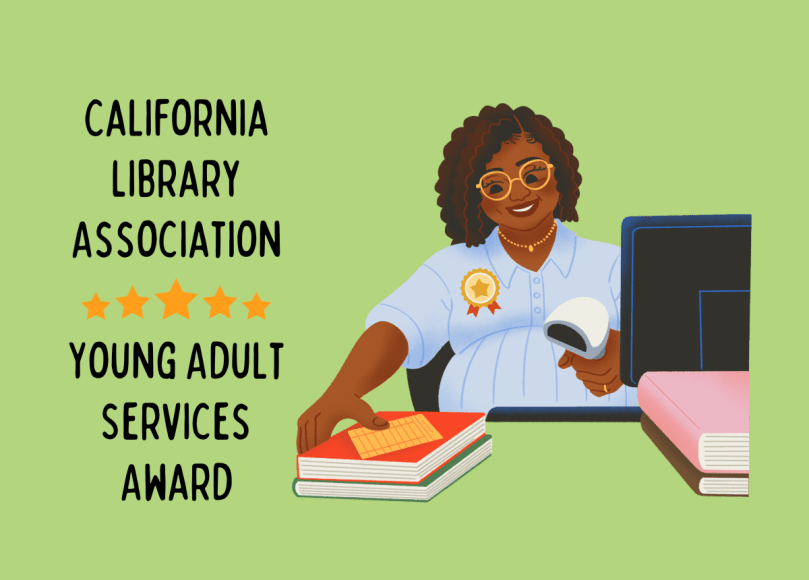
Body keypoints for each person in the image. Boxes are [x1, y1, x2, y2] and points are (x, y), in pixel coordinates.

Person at [296, 104, 637, 453]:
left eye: (532, 174)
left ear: (559, 173)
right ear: (474, 197)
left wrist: (630, 354)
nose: (519, 193)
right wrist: (344, 389)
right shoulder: (452, 266)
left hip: (612, 443)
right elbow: (398, 327)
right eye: (495, 185)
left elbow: (665, 338)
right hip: (477, 450)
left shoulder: (614, 262)